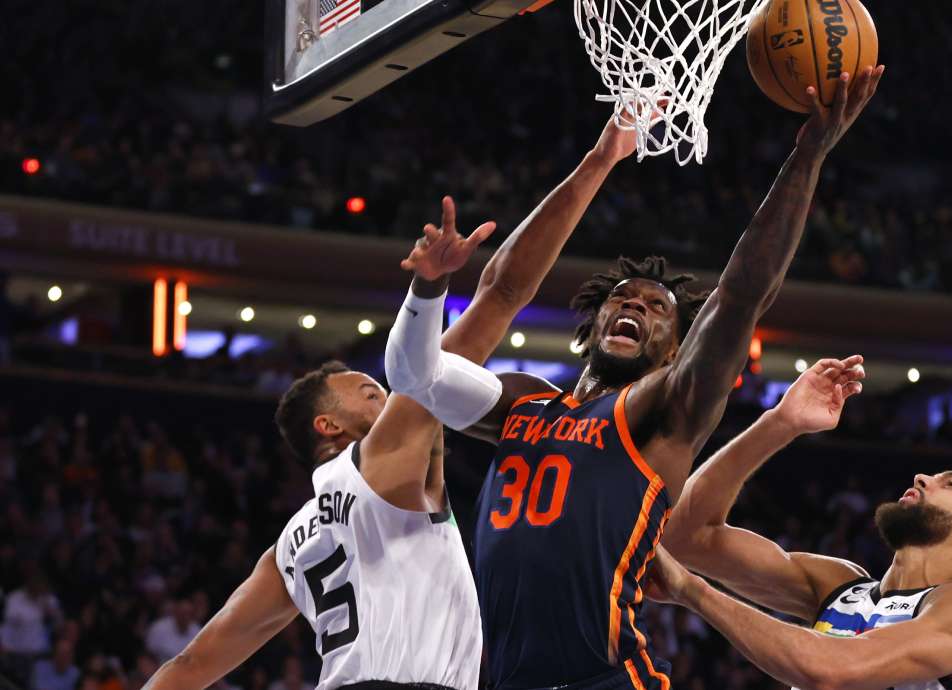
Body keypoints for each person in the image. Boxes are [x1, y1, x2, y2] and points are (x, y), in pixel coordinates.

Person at [386, 67, 884, 689]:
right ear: (592, 325)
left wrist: (809, 152)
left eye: (656, 310)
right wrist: (427, 290)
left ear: (678, 349)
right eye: (622, 300)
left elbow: (741, 296)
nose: (634, 308)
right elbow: (413, 375)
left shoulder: (662, 409)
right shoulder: (523, 403)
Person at [142, 111, 644, 690]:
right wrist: (599, 160)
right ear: (329, 425)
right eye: (368, 390)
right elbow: (502, 293)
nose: (386, 395)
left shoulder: (291, 544)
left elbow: (192, 666)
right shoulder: (384, 457)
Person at [645, 357, 952, 690]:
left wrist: (692, 592)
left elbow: (833, 670)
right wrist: (780, 423)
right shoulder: (839, 585)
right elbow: (684, 537)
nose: (922, 477)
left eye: (950, 483)